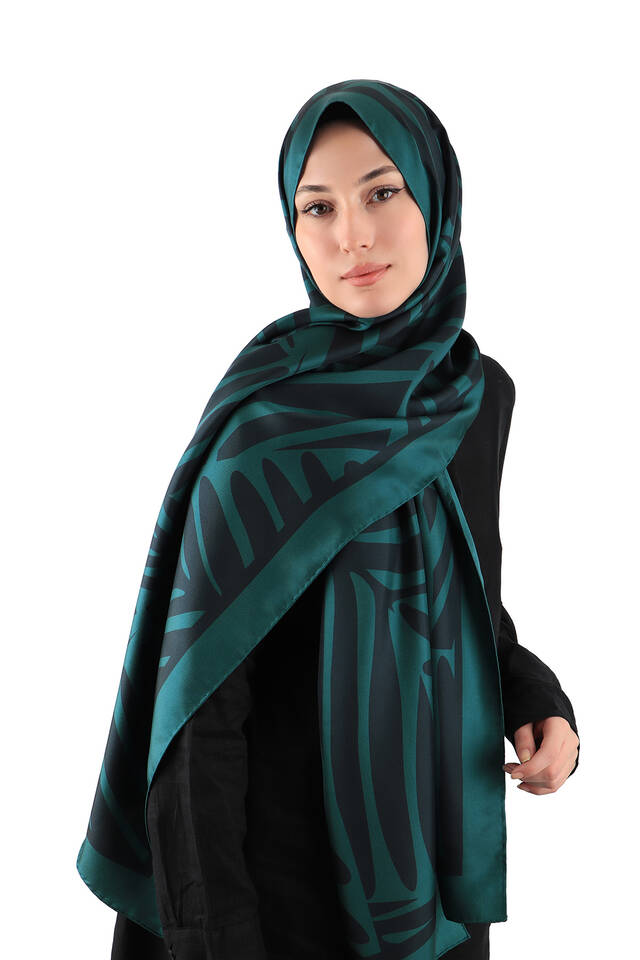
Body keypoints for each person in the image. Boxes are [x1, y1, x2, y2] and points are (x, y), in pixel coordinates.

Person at [77, 80, 580, 960]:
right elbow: (197, 704)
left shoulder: (475, 394)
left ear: (438, 199)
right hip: (274, 894)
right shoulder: (268, 425)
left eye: (382, 193)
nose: (352, 236)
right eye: (318, 207)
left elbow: (469, 595)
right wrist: (215, 933)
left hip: (429, 870)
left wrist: (540, 701)